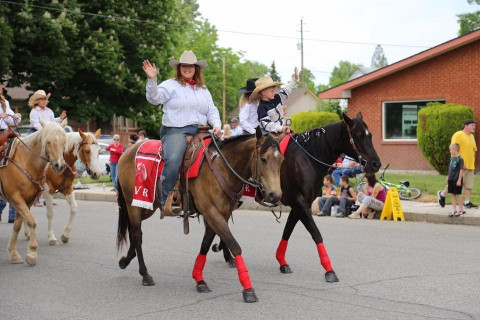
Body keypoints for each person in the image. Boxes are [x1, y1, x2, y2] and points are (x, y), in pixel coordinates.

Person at [142, 50, 222, 216]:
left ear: (196, 68)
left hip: (202, 129)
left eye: (190, 66)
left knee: (221, 154)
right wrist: (152, 79)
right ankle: (166, 199)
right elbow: (154, 98)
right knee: (173, 159)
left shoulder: (203, 89)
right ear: (179, 68)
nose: (187, 68)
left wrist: (217, 125)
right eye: (184, 65)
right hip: (175, 130)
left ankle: (212, 196)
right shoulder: (170, 85)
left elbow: (212, 110)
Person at [28, 90, 67, 206]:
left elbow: (53, 122)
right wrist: (45, 130)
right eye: (42, 99)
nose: (45, 101)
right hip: (36, 134)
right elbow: (35, 124)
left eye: (45, 99)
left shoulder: (49, 111)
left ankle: (46, 196)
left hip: (48, 134)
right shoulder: (34, 112)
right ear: (37, 101)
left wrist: (60, 118)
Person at [438, 119, 477, 209]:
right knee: (455, 183)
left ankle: (467, 202)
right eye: (472, 125)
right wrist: (456, 164)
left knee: (468, 185)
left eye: (474, 126)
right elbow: (453, 150)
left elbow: (474, 150)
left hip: (470, 165)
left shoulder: (472, 137)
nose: (474, 127)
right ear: (465, 126)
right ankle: (442, 194)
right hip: (460, 166)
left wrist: (472, 161)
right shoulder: (458, 135)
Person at [250, 67, 298, 133]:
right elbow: (268, 124)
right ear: (263, 92)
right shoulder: (261, 107)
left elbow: (287, 89)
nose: (274, 92)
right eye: (272, 91)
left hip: (281, 128)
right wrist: (281, 128)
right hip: (269, 133)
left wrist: (295, 79)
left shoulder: (277, 97)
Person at [0, 78, 21, 223]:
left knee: (20, 147)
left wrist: (16, 117)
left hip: (6, 133)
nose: (0, 87)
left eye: (0, 86)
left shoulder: (5, 102)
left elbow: (12, 121)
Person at [446, 143, 464, 217]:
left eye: (451, 150)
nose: (450, 151)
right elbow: (450, 168)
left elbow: (461, 170)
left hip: (457, 180)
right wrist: (448, 176)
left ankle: (461, 209)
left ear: (455, 150)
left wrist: (459, 180)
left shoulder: (460, 159)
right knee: (452, 194)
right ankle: (454, 210)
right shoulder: (452, 158)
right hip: (451, 179)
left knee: (458, 194)